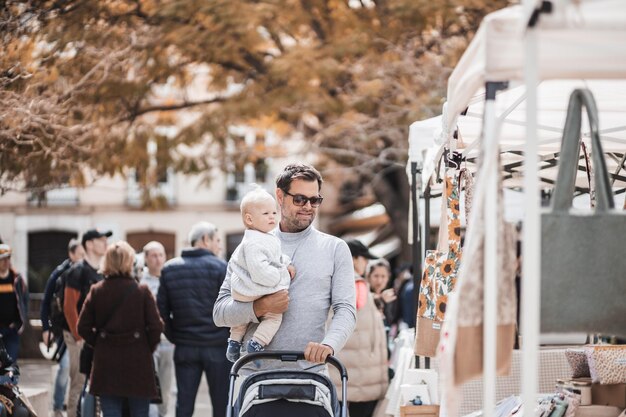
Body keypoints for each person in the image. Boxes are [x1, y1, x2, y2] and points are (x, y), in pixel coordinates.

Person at [213, 162, 356, 367]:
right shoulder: (250, 245)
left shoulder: (335, 248)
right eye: (299, 199)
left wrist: (329, 345)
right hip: (254, 379)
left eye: (314, 200)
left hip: (310, 376)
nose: (308, 206)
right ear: (279, 196)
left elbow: (346, 310)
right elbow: (219, 313)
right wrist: (259, 307)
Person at [78, 241, 163, 417]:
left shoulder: (97, 291)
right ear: (130, 261)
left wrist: (100, 342)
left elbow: (82, 327)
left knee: (110, 413)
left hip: (106, 364)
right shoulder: (142, 290)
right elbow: (156, 327)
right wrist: (146, 347)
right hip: (138, 364)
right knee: (140, 413)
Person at [157, 222, 231, 417]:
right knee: (221, 404)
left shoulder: (169, 269)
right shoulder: (221, 268)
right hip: (218, 347)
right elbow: (232, 308)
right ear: (205, 240)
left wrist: (176, 337)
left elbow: (161, 312)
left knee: (184, 404)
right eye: (216, 240)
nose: (219, 246)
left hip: (185, 346)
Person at [225, 187, 295, 362]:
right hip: (253, 288)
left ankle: (234, 342)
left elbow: (275, 257)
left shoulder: (261, 237)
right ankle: (256, 344)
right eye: (266, 213)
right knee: (273, 317)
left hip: (243, 291)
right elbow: (261, 271)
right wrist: (280, 275)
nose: (272, 217)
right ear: (249, 219)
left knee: (242, 320)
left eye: (274, 212)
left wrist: (286, 262)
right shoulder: (254, 243)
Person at [330, 239, 388, 417]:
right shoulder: (357, 284)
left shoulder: (335, 280)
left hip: (349, 369)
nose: (366, 263)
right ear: (354, 259)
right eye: (364, 259)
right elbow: (357, 306)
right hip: (361, 374)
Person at [63, 229, 111, 417]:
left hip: (95, 338)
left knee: (96, 384)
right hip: (78, 337)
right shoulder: (77, 271)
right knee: (78, 382)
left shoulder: (102, 271)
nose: (105, 242)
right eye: (101, 239)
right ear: (89, 244)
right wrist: (79, 336)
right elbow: (69, 307)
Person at [40, 238, 85, 417]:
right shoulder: (59, 273)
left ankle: (75, 405)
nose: (83, 257)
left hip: (81, 329)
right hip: (64, 328)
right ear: (71, 254)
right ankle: (58, 406)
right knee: (66, 366)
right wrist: (45, 328)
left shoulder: (87, 272)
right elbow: (45, 302)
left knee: (78, 370)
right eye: (80, 254)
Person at [139, 241, 173, 417]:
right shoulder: (140, 283)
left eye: (161, 255)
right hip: (148, 344)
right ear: (146, 258)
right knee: (150, 386)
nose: (158, 259)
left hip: (168, 343)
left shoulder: (171, 279)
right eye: (153, 255)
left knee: (166, 389)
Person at [0, 244, 28, 362]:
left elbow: (24, 301)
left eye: (8, 258)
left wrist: (19, 323)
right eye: (2, 259)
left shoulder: (17, 279)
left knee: (10, 365)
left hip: (12, 330)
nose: (6, 262)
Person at [367, 258, 398, 329]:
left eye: (383, 276)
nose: (379, 281)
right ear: (368, 276)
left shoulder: (391, 296)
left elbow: (391, 322)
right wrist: (381, 300)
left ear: (388, 277)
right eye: (376, 276)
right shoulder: (364, 295)